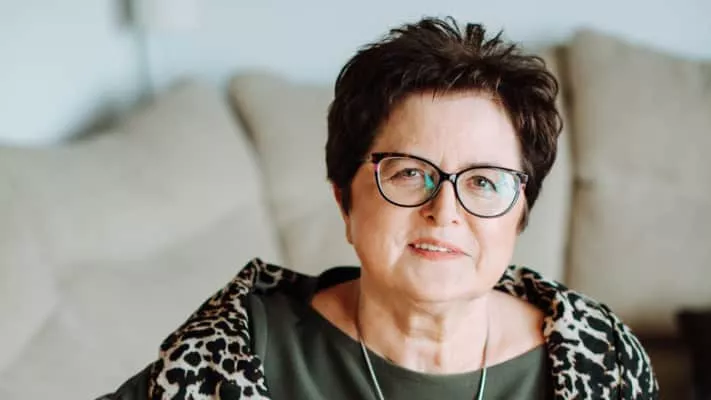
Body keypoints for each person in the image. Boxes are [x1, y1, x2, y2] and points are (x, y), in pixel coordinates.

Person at [102, 17, 658, 400]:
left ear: (520, 214)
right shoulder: (235, 351)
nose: (445, 210)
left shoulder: (600, 361)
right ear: (343, 198)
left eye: (484, 182)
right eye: (409, 173)